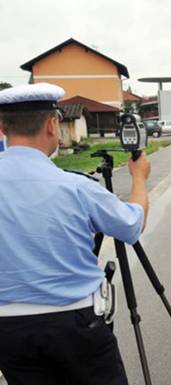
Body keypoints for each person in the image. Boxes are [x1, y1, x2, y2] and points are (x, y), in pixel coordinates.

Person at [0, 83, 151, 385]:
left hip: (9, 331)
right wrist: (138, 179)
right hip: (76, 323)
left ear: (3, 128)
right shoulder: (76, 187)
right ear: (52, 125)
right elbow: (131, 226)